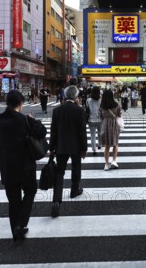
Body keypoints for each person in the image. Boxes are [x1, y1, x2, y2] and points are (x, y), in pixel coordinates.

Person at [0, 90, 45, 242]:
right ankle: (20, 224)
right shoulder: (23, 119)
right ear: (21, 103)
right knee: (30, 191)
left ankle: (15, 231)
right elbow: (41, 132)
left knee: (14, 200)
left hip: (7, 166)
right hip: (25, 165)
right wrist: (33, 120)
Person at [49, 85, 87, 218]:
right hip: (76, 146)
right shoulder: (79, 110)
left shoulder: (57, 110)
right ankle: (74, 190)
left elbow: (53, 131)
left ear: (65, 96)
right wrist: (84, 148)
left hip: (61, 146)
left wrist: (51, 148)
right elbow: (82, 131)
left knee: (59, 172)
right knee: (76, 168)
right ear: (76, 97)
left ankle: (56, 200)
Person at [100, 89, 122, 170]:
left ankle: (106, 164)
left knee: (107, 146)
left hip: (105, 125)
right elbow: (119, 115)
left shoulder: (102, 106)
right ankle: (114, 161)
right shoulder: (117, 105)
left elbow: (101, 117)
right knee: (115, 143)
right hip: (114, 125)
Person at [86, 86, 103, 155]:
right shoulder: (101, 100)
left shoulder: (88, 100)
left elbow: (87, 109)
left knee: (92, 135)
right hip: (100, 119)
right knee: (100, 133)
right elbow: (102, 109)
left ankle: (94, 149)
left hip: (91, 119)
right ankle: (99, 145)